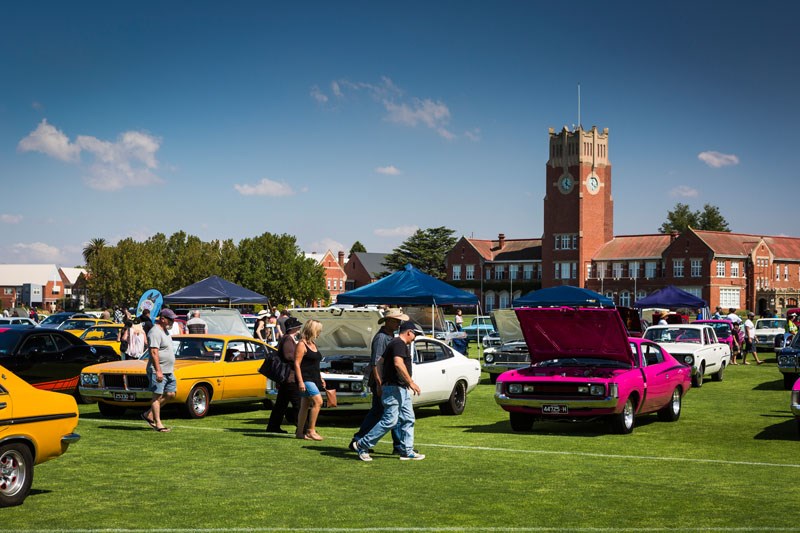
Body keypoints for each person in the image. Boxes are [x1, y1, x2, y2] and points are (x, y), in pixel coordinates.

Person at [351, 321, 425, 462]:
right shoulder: (398, 344)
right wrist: (410, 382)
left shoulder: (394, 343)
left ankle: (407, 451)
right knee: (390, 420)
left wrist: (384, 382)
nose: (415, 338)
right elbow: (398, 363)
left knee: (408, 419)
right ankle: (362, 444)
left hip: (399, 387)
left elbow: (379, 362)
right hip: (394, 389)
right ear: (409, 332)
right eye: (415, 334)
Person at [351, 308, 409, 453]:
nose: (398, 323)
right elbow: (376, 363)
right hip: (382, 383)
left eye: (399, 321)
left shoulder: (390, 336)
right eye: (396, 321)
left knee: (387, 414)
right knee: (384, 414)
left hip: (385, 382)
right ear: (388, 321)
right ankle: (359, 440)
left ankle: (397, 445)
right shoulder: (382, 338)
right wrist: (379, 384)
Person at [141, 309, 178, 432]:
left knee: (171, 394)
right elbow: (153, 352)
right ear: (163, 319)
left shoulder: (165, 331)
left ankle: (148, 414)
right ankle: (158, 424)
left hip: (169, 370)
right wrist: (158, 371)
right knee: (157, 397)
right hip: (158, 369)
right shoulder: (155, 332)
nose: (173, 321)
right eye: (170, 319)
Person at [266, 317, 304, 433]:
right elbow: (288, 356)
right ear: (293, 328)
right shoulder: (288, 339)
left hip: (286, 378)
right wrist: (299, 359)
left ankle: (273, 426)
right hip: (289, 377)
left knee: (280, 405)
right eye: (298, 327)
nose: (299, 328)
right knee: (297, 403)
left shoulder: (287, 338)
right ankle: (303, 428)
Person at [294, 319, 325, 441]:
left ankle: (299, 432)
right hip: (305, 378)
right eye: (319, 330)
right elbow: (296, 364)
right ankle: (311, 430)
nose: (320, 333)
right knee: (318, 401)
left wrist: (321, 377)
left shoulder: (312, 344)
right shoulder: (302, 344)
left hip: (314, 377)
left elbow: (315, 364)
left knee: (305, 405)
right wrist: (300, 381)